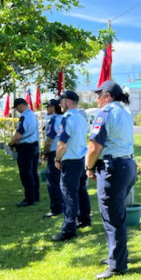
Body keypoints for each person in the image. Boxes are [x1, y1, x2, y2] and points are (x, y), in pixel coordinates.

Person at [85, 80, 136, 280]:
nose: (97, 99)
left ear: (108, 95)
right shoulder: (124, 112)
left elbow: (94, 147)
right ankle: (117, 256)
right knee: (117, 215)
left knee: (112, 218)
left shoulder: (106, 113)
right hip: (127, 165)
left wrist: (89, 167)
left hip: (112, 168)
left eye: (99, 95)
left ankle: (117, 265)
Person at [51, 90, 91, 242]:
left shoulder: (67, 118)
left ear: (68, 102)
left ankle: (69, 228)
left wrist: (57, 159)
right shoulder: (81, 117)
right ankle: (84, 219)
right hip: (81, 159)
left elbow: (61, 145)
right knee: (81, 191)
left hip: (70, 161)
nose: (59, 104)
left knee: (69, 195)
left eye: (61, 101)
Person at [8, 98, 40, 207]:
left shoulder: (24, 117)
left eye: (17, 108)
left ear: (21, 105)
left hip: (26, 147)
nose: (17, 110)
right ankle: (35, 195)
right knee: (34, 172)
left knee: (26, 173)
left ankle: (29, 199)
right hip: (34, 146)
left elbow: (18, 136)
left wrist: (11, 144)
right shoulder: (33, 115)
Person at [41, 99, 64, 219]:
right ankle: (64, 205)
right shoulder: (64, 118)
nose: (46, 109)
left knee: (53, 182)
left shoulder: (53, 120)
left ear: (53, 108)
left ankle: (56, 208)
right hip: (64, 152)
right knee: (62, 181)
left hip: (54, 152)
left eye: (48, 106)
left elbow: (49, 142)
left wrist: (44, 152)